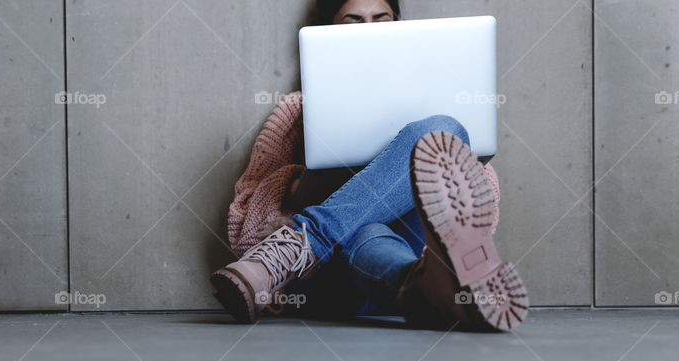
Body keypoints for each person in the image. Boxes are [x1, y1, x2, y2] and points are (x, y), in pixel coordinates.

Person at [211, 0, 529, 331]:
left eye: (381, 18)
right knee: (366, 229)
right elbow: (242, 217)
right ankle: (435, 290)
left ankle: (420, 289)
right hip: (327, 281)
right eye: (353, 20)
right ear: (328, 30)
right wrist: (292, 184)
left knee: (444, 130)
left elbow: (473, 196)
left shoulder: (432, 97)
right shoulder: (297, 110)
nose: (368, 28)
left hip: (406, 256)